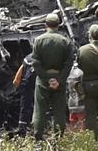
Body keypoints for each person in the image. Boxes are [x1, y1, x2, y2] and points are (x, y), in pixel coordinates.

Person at [31, 13, 75, 142]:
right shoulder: (65, 41)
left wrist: (46, 79)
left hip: (42, 80)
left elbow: (35, 62)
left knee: (39, 110)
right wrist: (59, 80)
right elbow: (68, 64)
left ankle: (38, 139)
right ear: (58, 25)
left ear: (46, 25)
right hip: (59, 79)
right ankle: (58, 139)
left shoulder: (38, 40)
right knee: (59, 111)